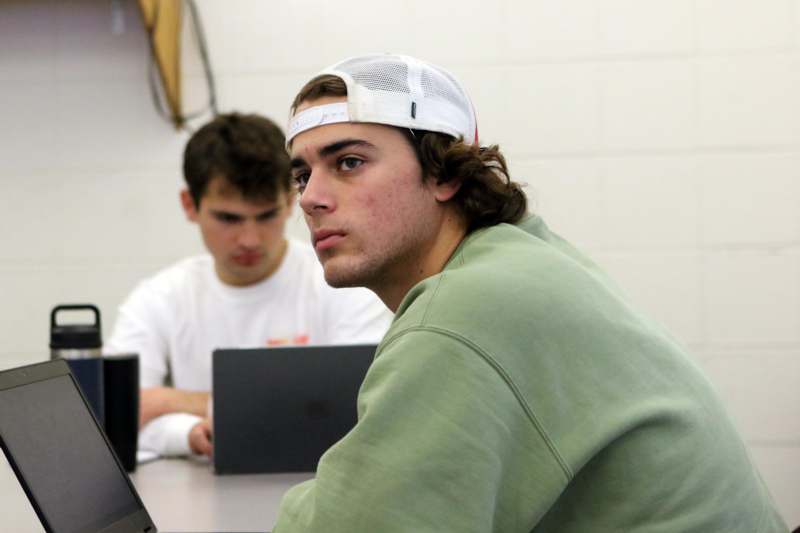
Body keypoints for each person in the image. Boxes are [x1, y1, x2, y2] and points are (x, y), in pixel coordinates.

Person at [273, 54, 788, 532]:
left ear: (444, 174)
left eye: (348, 163)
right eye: (302, 174)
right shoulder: (518, 257)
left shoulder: (467, 309)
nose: (313, 198)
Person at [105, 112, 391, 459]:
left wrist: (174, 402)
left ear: (290, 200)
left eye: (266, 215)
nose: (250, 239)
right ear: (189, 205)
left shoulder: (344, 284)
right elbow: (113, 415)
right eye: (229, 218)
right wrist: (187, 433)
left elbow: (361, 410)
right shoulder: (159, 297)